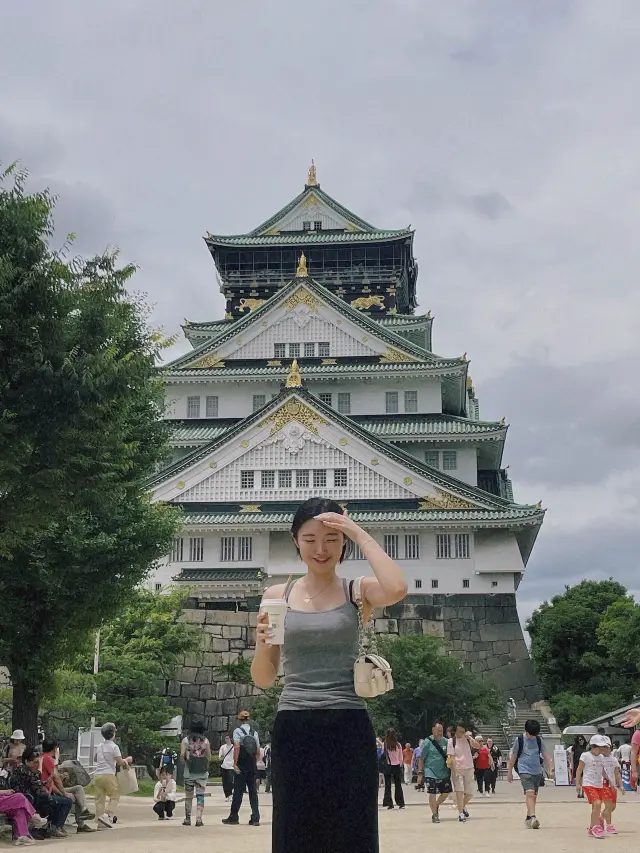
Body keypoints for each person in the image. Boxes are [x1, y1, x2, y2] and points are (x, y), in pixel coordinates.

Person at [251, 498, 407, 853]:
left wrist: (356, 530)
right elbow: (264, 677)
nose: (321, 549)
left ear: (343, 544)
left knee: (353, 829)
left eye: (332, 540)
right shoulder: (277, 595)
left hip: (348, 724)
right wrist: (261, 644)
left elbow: (397, 588)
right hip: (294, 725)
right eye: (310, 539)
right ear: (295, 540)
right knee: (296, 829)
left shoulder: (358, 590)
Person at [9, 747, 72, 838]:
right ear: (27, 761)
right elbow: (37, 786)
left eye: (38, 762)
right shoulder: (24, 771)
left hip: (32, 797)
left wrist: (46, 784)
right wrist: (50, 796)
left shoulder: (23, 770)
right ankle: (55, 828)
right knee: (66, 801)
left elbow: (36, 783)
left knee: (56, 802)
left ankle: (47, 828)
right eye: (35, 762)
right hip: (29, 799)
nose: (37, 764)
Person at [41, 740, 95, 833]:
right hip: (50, 790)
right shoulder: (48, 759)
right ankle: (64, 826)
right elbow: (55, 780)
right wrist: (63, 793)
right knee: (73, 797)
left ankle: (84, 810)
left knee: (78, 789)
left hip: (52, 788)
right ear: (55, 749)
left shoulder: (43, 757)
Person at [507, 718, 552, 830]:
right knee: (530, 794)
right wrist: (509, 772)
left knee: (533, 796)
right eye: (531, 734)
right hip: (524, 770)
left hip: (537, 771)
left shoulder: (539, 740)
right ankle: (533, 817)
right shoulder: (520, 740)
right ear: (526, 731)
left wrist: (551, 769)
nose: (532, 736)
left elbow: (546, 755)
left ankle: (528, 817)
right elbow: (513, 756)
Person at [222, 710, 260, 827]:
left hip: (242, 763)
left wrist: (235, 763)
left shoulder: (238, 731)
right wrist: (256, 761)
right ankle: (255, 817)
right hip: (252, 763)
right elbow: (257, 749)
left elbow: (237, 747)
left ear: (239, 720)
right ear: (249, 719)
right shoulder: (254, 733)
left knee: (238, 790)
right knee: (253, 791)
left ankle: (234, 816)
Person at [93, 722, 133, 829]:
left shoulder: (100, 746)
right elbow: (120, 762)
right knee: (115, 795)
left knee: (99, 799)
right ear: (112, 734)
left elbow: (95, 759)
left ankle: (100, 820)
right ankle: (107, 815)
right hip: (108, 774)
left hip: (97, 775)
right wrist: (127, 760)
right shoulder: (114, 747)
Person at [417, 722, 452, 824]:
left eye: (442, 730)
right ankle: (435, 814)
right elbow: (421, 758)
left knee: (446, 792)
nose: (440, 733)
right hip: (430, 771)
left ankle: (436, 804)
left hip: (443, 772)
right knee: (432, 793)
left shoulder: (446, 742)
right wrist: (420, 773)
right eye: (438, 730)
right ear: (433, 730)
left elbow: (450, 755)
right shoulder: (427, 742)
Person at [575, 734, 609, 838]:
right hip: (588, 784)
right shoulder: (585, 755)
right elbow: (579, 769)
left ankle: (591, 827)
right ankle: (596, 827)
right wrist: (577, 783)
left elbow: (603, 771)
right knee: (597, 804)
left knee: (596, 806)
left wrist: (610, 780)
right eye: (602, 746)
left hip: (598, 784)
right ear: (594, 746)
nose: (604, 748)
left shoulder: (602, 757)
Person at [447, 725, 482, 822]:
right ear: (456, 731)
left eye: (463, 731)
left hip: (469, 767)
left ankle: (462, 806)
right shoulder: (451, 741)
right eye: (460, 731)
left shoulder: (467, 739)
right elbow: (451, 756)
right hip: (458, 768)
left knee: (469, 793)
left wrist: (470, 738)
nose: (462, 733)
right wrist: (455, 770)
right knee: (459, 790)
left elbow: (478, 746)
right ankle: (460, 813)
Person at [180, 720, 211, 827]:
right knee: (200, 796)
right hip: (202, 774)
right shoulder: (205, 741)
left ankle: (188, 819)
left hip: (189, 772)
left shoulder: (185, 740)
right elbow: (209, 756)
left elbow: (182, 757)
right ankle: (199, 819)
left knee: (188, 796)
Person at [601, 739, 623, 834]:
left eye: (607, 747)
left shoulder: (614, 759)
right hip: (603, 784)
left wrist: (620, 785)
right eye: (604, 747)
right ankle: (609, 826)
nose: (606, 749)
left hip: (613, 785)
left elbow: (617, 773)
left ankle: (601, 817)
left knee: (613, 807)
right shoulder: (599, 758)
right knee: (608, 806)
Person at [381, 729, 405, 809]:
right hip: (397, 765)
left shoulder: (385, 744)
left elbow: (382, 754)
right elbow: (401, 757)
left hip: (388, 766)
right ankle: (400, 802)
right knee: (398, 785)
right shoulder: (398, 745)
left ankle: (389, 803)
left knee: (388, 785)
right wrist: (400, 764)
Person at [218, 734, 235, 800]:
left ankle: (231, 793)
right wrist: (221, 758)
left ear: (230, 739)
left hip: (231, 766)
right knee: (225, 782)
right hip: (224, 766)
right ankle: (227, 795)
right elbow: (220, 757)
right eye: (225, 738)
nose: (226, 740)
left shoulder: (233, 747)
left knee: (230, 781)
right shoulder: (223, 747)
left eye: (228, 738)